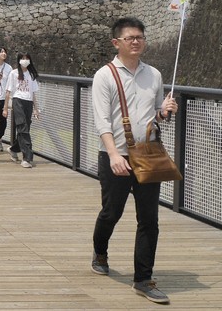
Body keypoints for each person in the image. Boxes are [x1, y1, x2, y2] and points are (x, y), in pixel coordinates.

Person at [90, 17, 178, 304]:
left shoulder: (154, 74)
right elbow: (102, 120)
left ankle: (143, 278)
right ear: (117, 43)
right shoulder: (104, 75)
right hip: (116, 155)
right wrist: (114, 154)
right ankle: (100, 250)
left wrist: (164, 111)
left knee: (149, 220)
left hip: (148, 154)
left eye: (140, 37)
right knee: (110, 213)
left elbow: (155, 115)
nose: (137, 41)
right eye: (130, 38)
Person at [2, 52, 40, 167]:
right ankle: (27, 157)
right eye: (23, 58)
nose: (25, 60)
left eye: (27, 58)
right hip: (17, 100)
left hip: (28, 102)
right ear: (19, 60)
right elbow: (8, 91)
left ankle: (14, 149)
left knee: (25, 128)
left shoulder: (31, 74)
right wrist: (5, 108)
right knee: (22, 126)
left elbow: (33, 93)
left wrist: (36, 109)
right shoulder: (14, 73)